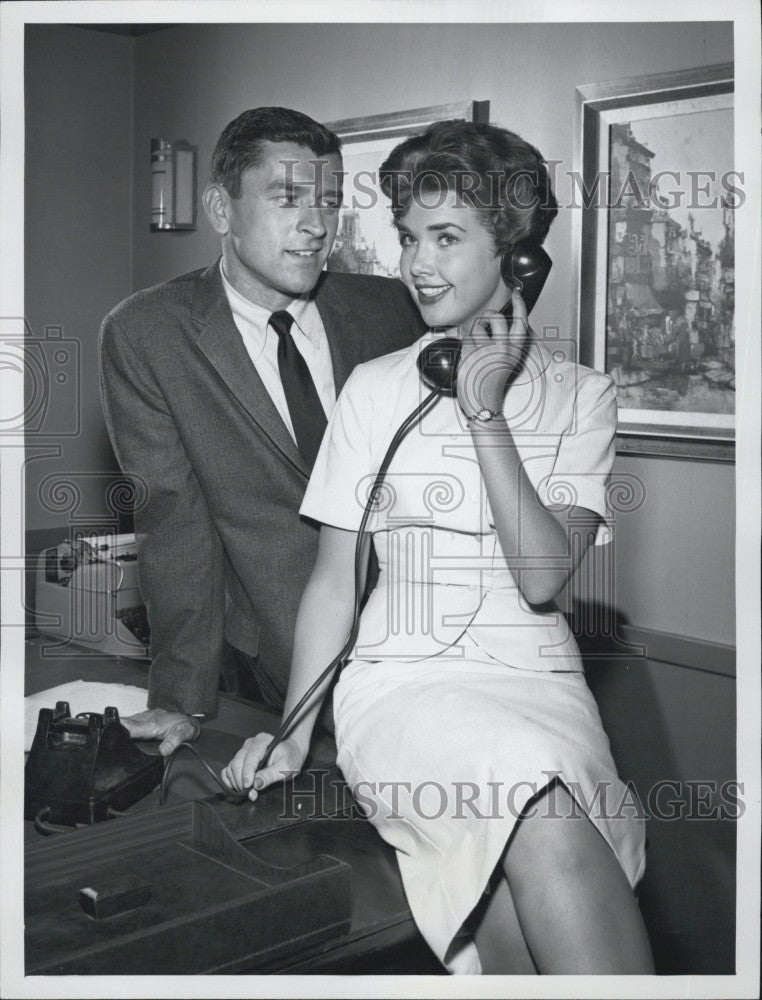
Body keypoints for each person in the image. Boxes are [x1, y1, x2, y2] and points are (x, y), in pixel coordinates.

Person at [222, 120, 653, 974]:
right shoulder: (375, 388)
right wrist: (296, 733)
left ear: (518, 252)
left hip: (538, 682)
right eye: (411, 237)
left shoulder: (583, 398)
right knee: (542, 807)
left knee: (514, 892)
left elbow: (541, 576)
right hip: (407, 683)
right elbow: (334, 584)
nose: (418, 264)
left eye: (447, 239)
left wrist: (485, 413)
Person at [99, 108, 424, 753]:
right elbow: (175, 523)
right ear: (221, 209)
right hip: (273, 667)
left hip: (425, 647)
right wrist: (181, 700)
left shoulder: (392, 310)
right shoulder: (148, 333)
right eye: (287, 199)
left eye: (330, 202)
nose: (316, 225)